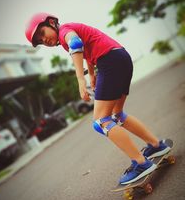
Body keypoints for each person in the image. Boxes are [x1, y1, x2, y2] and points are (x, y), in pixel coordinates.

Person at [25, 13, 171, 185]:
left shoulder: (65, 31)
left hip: (109, 61)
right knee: (117, 114)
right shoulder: (72, 28)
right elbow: (87, 51)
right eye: (40, 41)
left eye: (42, 33)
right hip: (121, 57)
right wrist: (92, 74)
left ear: (51, 23)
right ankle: (156, 145)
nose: (44, 40)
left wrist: (81, 80)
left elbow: (76, 43)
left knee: (101, 121)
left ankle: (141, 163)